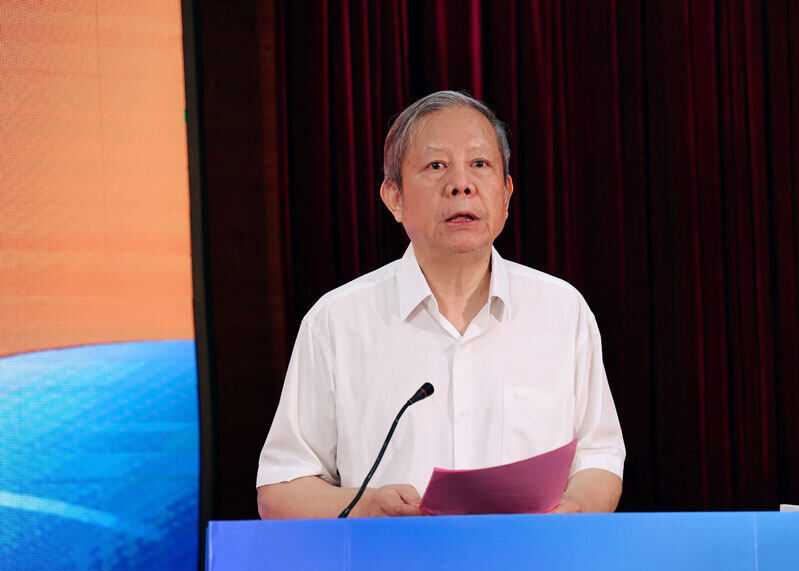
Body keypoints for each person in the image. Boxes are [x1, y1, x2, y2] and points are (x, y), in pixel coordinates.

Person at [256, 91, 625, 518]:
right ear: (394, 197)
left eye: (480, 164)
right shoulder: (337, 322)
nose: (461, 184)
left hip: (531, 559)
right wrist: (367, 506)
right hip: (393, 560)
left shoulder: (562, 311)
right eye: (436, 166)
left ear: (506, 194)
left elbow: (599, 456)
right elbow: (281, 490)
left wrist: (574, 509)